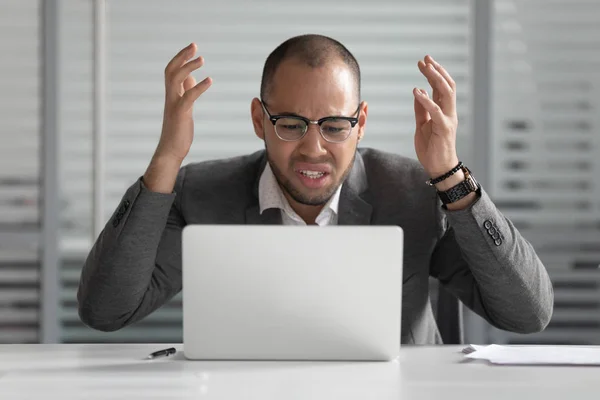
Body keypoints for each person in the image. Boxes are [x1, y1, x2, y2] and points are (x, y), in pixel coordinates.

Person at [77, 34, 553, 344]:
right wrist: (166, 160)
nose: (313, 148)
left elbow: (527, 313)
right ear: (258, 121)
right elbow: (106, 310)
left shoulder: (412, 192)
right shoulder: (204, 191)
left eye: (334, 125)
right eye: (290, 123)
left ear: (361, 123)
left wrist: (450, 174)